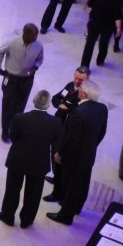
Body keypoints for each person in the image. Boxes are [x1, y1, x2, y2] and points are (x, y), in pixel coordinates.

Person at [45, 80, 108, 225]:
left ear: (84, 93)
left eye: (80, 89)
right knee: (83, 183)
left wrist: (60, 153)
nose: (78, 90)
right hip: (89, 154)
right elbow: (101, 133)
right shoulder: (102, 108)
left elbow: (71, 139)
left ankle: (65, 216)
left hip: (74, 158)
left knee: (71, 186)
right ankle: (77, 208)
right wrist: (91, 146)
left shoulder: (78, 113)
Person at [0, 90, 61, 228]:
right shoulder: (55, 123)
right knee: (34, 194)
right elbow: (55, 142)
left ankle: (7, 216)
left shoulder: (20, 118)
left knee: (12, 189)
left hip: (18, 159)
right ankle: (26, 220)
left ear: (33, 101)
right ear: (49, 105)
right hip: (39, 162)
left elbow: (13, 137)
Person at [0, 23, 44, 142]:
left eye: (36, 35)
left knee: (20, 105)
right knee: (8, 104)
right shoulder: (12, 42)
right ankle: (5, 129)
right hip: (11, 78)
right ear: (25, 34)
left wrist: (35, 67)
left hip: (27, 80)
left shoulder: (38, 46)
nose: (36, 38)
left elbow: (40, 59)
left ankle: (14, 128)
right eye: (33, 36)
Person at [81, 0, 121, 67]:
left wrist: (90, 16)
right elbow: (117, 15)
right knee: (104, 43)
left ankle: (84, 65)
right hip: (108, 26)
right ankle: (100, 60)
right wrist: (118, 28)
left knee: (89, 44)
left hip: (94, 23)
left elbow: (89, 5)